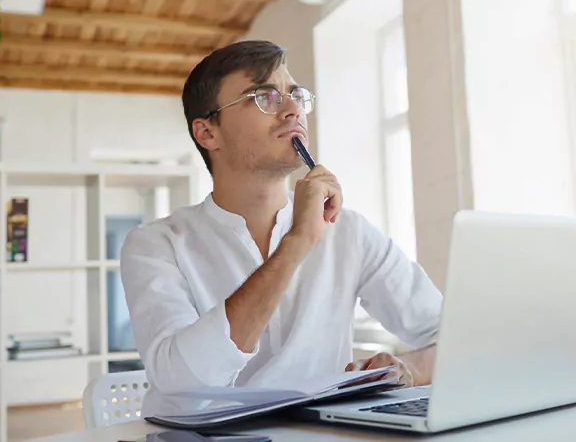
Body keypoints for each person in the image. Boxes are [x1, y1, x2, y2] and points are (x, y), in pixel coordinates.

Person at [120, 40, 442, 413]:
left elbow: (454, 335)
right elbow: (183, 382)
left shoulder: (349, 231)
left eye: (295, 95)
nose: (292, 109)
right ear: (208, 133)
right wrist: (296, 244)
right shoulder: (155, 245)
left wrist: (410, 368)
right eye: (264, 96)